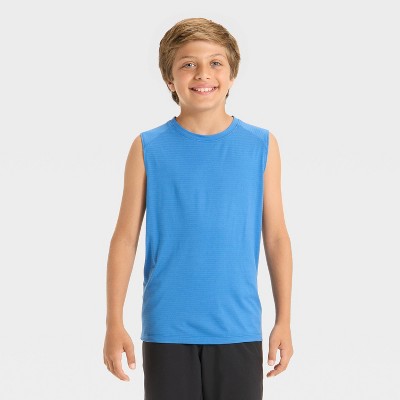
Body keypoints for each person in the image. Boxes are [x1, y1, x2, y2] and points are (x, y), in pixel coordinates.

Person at [103, 17, 294, 400]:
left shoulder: (261, 145)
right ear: (169, 80)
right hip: (167, 327)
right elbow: (124, 239)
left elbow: (275, 237)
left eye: (215, 63)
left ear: (232, 75)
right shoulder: (148, 148)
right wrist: (113, 322)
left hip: (238, 326)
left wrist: (284, 320)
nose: (203, 74)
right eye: (188, 64)